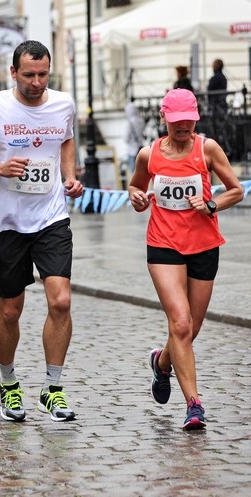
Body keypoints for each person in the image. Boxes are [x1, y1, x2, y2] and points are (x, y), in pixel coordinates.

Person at [0, 40, 84, 423]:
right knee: (9, 310)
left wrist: (71, 176)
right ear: (13, 72)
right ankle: (9, 385)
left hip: (51, 218)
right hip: (5, 224)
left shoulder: (63, 104)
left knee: (60, 301)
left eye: (43, 74)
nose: (37, 81)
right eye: (29, 74)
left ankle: (53, 388)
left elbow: (66, 139)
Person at [128, 89, 242, 431]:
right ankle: (194, 405)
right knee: (179, 323)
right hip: (163, 246)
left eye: (189, 120)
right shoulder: (148, 154)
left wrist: (211, 205)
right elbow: (135, 189)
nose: (183, 127)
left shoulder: (207, 148)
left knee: (189, 330)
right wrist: (137, 198)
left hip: (204, 245)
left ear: (197, 117)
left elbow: (235, 189)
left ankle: (161, 364)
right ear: (165, 118)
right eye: (177, 121)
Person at [124, 98, 145, 174]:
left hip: (132, 151)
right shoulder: (141, 120)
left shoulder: (130, 122)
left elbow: (126, 138)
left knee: (134, 172)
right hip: (140, 148)